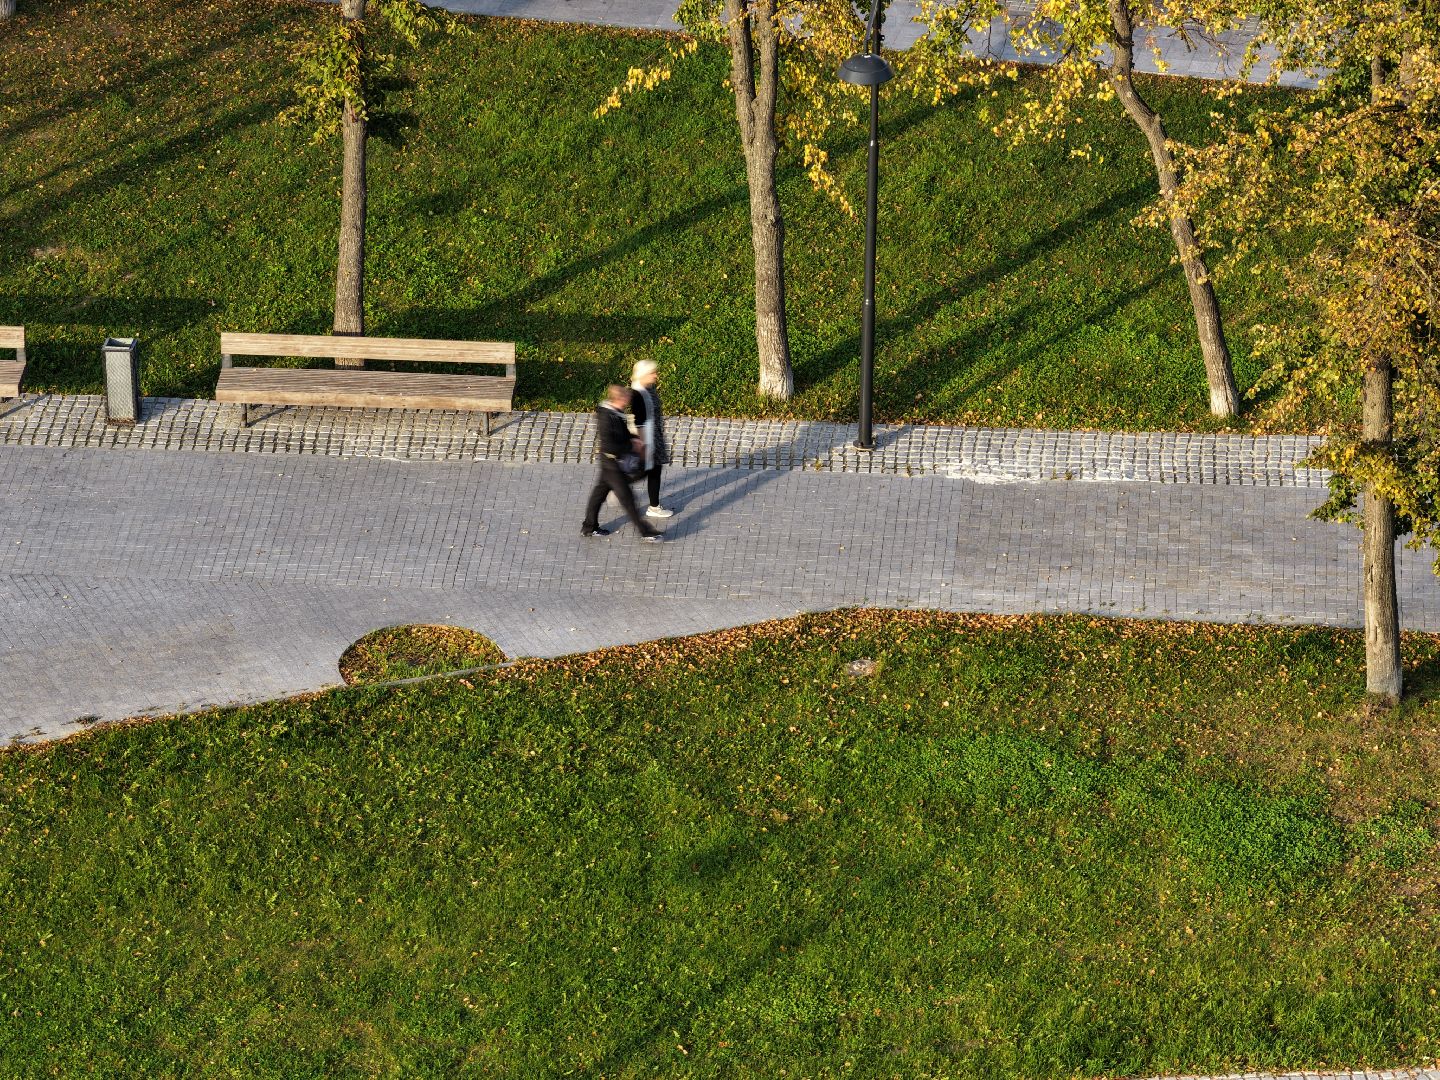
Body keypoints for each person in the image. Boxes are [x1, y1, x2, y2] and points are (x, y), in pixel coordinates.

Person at [582, 385, 663, 543]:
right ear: (618, 399)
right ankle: (646, 532)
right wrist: (631, 446)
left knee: (599, 494)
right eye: (626, 399)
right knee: (628, 499)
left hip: (610, 462)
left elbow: (623, 434)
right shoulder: (607, 418)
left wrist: (634, 438)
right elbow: (609, 445)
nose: (628, 402)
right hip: (612, 463)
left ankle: (589, 527)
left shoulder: (616, 413)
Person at [629, 358, 672, 518]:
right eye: (652, 373)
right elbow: (639, 422)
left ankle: (615, 485)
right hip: (648, 437)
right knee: (651, 470)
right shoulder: (638, 395)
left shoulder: (647, 388)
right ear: (643, 374)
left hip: (654, 434)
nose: (655, 376)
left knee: (649, 469)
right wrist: (644, 445)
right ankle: (654, 507)